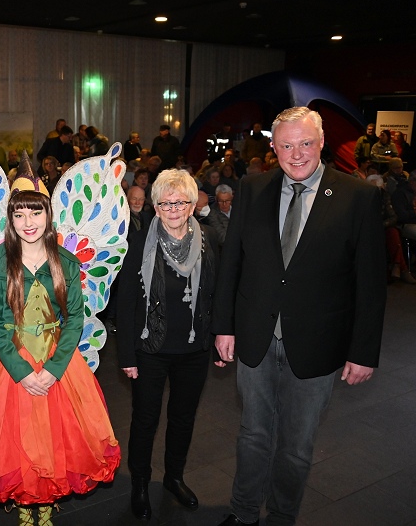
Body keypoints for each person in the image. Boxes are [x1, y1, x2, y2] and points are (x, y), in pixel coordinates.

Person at [213, 107, 386, 526]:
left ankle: (281, 516)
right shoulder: (252, 187)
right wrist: (224, 326)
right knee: (252, 436)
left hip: (317, 344)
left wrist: (363, 352)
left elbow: (370, 282)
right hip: (255, 337)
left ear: (321, 142)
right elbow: (232, 262)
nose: (297, 154)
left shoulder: (358, 196)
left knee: (296, 446)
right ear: (273, 148)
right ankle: (243, 512)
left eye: (306, 143)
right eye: (287, 145)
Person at [0, 188, 120, 526]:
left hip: (58, 361)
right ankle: (25, 506)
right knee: (15, 436)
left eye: (36, 213)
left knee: (56, 436)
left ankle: (47, 503)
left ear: (48, 216)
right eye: (20, 214)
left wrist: (54, 369)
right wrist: (22, 371)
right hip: (10, 361)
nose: (28, 222)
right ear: (11, 220)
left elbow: (75, 319)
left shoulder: (66, 262)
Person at [117, 169, 219, 521]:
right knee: (145, 419)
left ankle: (174, 477)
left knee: (183, 418)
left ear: (192, 205)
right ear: (155, 206)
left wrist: (220, 336)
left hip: (194, 348)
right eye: (165, 203)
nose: (173, 209)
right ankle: (140, 484)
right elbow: (126, 300)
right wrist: (126, 354)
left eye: (180, 202)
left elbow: (218, 290)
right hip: (150, 349)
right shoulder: (139, 241)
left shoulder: (208, 238)